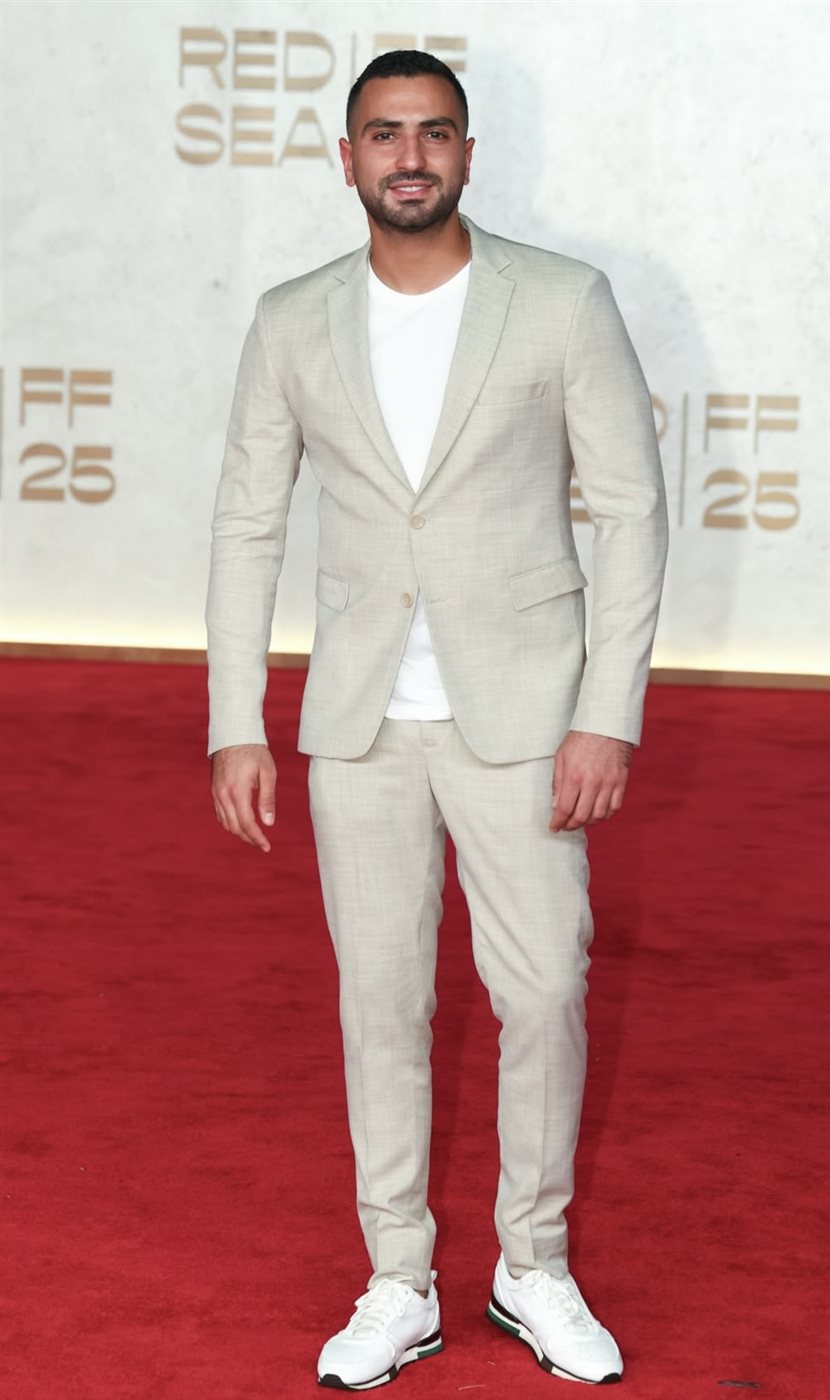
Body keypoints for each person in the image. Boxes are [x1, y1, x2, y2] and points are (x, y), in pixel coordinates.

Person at [206, 49, 668, 1391]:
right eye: (383, 134)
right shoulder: (291, 319)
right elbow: (246, 524)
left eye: (433, 133)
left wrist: (606, 715)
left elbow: (630, 511)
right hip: (359, 723)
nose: (408, 156)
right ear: (346, 157)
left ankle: (534, 1264)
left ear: (467, 153)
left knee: (544, 993)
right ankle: (398, 1276)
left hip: (523, 713)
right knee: (380, 1005)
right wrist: (236, 719)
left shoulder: (561, 300)